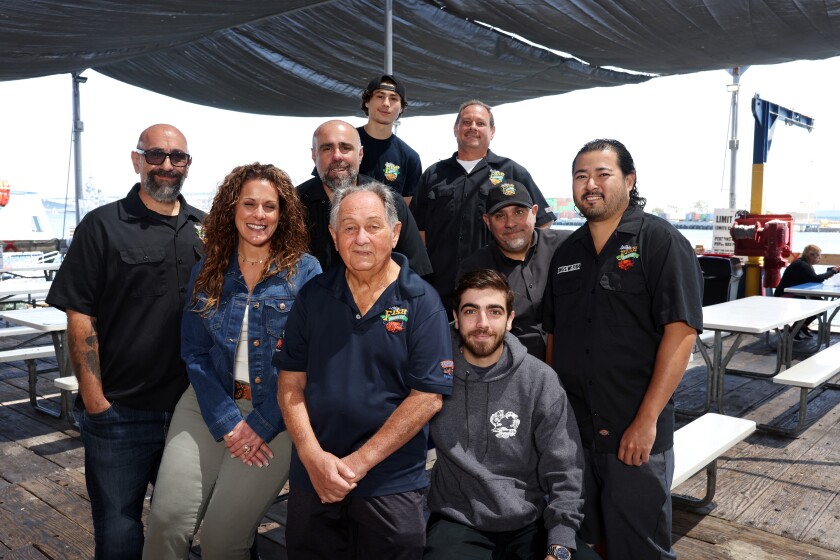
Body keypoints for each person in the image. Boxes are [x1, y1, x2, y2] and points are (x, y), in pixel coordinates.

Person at [143, 163, 321, 558]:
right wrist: (227, 421)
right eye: (250, 204)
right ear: (232, 209)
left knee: (223, 541)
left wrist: (259, 424)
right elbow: (194, 351)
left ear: (283, 213)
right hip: (207, 402)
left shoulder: (306, 272)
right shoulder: (207, 268)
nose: (259, 215)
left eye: (270, 207)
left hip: (276, 412)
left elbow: (310, 360)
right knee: (166, 525)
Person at [45, 124, 205, 559]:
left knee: (190, 525)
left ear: (188, 165)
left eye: (178, 158)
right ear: (136, 161)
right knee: (118, 535)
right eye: (155, 155)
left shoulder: (206, 231)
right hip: (121, 412)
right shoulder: (102, 226)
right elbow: (80, 316)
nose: (167, 165)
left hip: (192, 412)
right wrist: (96, 401)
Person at [543, 139, 703, 560]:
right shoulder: (566, 255)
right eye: (581, 176)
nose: (590, 184)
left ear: (629, 181)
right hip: (575, 432)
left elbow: (682, 333)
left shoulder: (661, 242)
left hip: (634, 432)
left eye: (602, 174)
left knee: (640, 547)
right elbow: (555, 338)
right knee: (584, 540)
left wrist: (647, 420)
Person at [275, 182, 453, 558]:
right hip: (314, 476)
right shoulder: (313, 295)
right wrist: (312, 457)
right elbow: (290, 383)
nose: (361, 238)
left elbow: (427, 399)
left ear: (395, 232)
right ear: (333, 236)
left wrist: (355, 465)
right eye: (349, 227)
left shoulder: (422, 301)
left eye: (373, 226)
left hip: (391, 482)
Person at [426, 269, 601, 560]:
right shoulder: (434, 375)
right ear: (456, 318)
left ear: (509, 320)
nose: (482, 323)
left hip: (530, 520)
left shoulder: (540, 379)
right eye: (471, 311)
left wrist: (559, 545)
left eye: (494, 312)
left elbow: (565, 469)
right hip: (458, 519)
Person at [410, 100, 556, 313]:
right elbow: (418, 230)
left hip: (494, 290)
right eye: (466, 122)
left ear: (492, 131)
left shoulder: (513, 171)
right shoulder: (433, 175)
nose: (473, 127)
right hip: (438, 289)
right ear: (456, 129)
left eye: (480, 123)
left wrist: (520, 267)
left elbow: (543, 220)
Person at [297, 119, 432, 277]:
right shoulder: (293, 205)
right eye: (327, 148)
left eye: (346, 147)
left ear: (360, 154)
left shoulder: (390, 201)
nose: (337, 156)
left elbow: (416, 273)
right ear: (314, 155)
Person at [456, 180, 571, 357]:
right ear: (487, 221)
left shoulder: (568, 247)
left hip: (575, 366)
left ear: (534, 213)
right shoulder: (474, 268)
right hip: (511, 373)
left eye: (519, 212)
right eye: (500, 216)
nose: (510, 223)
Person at [358, 74, 422, 203]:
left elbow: (407, 208)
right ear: (367, 101)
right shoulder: (343, 143)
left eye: (393, 98)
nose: (386, 103)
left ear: (402, 107)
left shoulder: (410, 157)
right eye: (380, 96)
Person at [774, 244, 840, 339]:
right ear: (811, 255)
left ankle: (800, 327)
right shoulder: (801, 265)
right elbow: (815, 279)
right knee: (818, 305)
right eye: (818, 255)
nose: (820, 258)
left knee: (821, 305)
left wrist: (830, 272)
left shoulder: (804, 264)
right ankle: (796, 329)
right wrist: (832, 272)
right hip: (785, 295)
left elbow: (811, 278)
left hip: (793, 292)